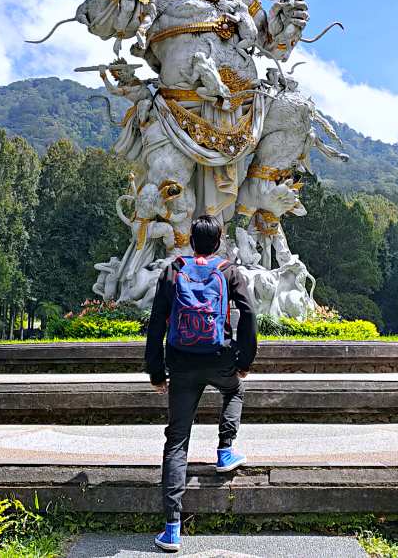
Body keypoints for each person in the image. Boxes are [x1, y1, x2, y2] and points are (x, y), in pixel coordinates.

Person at [145, 214, 258, 553]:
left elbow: (156, 323)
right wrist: (244, 361)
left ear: (191, 240)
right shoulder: (227, 270)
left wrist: (155, 371)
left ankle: (172, 530)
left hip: (180, 362)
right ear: (219, 240)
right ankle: (225, 449)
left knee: (177, 441)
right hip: (219, 356)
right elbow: (249, 314)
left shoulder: (173, 268)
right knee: (235, 389)